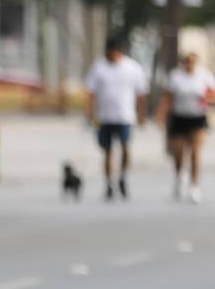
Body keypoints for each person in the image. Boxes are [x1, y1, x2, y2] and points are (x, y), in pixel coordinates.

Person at [84, 35, 148, 200]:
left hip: (126, 116)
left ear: (120, 51)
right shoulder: (98, 68)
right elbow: (90, 92)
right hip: (104, 117)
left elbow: (141, 94)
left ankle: (122, 177)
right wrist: (89, 113)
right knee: (107, 151)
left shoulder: (132, 68)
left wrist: (142, 114)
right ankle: (109, 184)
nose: (111, 55)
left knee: (126, 147)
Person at [157, 50, 215, 202]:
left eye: (193, 61)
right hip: (179, 118)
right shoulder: (175, 77)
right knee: (179, 153)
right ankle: (179, 175)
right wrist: (161, 116)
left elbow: (212, 97)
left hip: (198, 118)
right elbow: (167, 98)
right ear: (184, 62)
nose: (190, 64)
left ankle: (194, 187)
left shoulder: (205, 76)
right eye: (187, 61)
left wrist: (207, 99)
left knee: (196, 153)